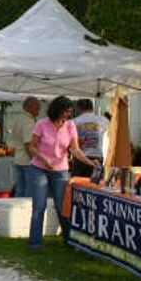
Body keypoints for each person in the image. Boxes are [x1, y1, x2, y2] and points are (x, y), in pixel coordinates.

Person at [26, 96, 98, 250]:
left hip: (60, 170)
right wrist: (44, 159)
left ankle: (69, 240)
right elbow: (32, 147)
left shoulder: (70, 125)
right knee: (39, 206)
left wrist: (89, 161)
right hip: (39, 168)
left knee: (62, 206)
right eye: (65, 113)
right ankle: (35, 243)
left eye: (69, 113)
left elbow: (75, 150)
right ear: (56, 110)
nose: (67, 116)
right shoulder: (42, 124)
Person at [9, 97, 40, 197]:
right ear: (30, 107)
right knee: (29, 190)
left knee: (20, 188)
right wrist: (35, 161)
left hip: (19, 158)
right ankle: (25, 210)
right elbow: (28, 145)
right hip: (28, 160)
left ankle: (18, 210)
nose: (38, 111)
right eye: (37, 108)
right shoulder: (28, 122)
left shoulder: (18, 119)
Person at [72, 99, 110, 177]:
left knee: (77, 184)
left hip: (80, 158)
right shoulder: (104, 120)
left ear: (79, 108)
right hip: (98, 157)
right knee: (94, 185)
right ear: (92, 108)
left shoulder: (73, 122)